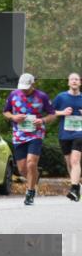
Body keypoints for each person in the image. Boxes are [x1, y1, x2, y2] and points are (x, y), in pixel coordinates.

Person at [2, 73, 56, 206]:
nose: (24, 90)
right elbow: (5, 112)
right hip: (19, 135)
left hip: (36, 134)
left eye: (26, 88)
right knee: (22, 169)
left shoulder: (42, 96)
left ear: (33, 84)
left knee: (31, 163)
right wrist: (13, 117)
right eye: (22, 88)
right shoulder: (14, 95)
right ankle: (34, 177)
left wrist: (42, 120)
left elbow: (52, 114)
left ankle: (30, 192)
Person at [53, 72, 82, 202]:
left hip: (79, 133)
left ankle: (74, 189)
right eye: (72, 79)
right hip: (65, 134)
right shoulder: (61, 97)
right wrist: (62, 112)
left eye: (76, 79)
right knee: (69, 162)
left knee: (75, 160)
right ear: (68, 82)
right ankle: (76, 186)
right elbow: (50, 112)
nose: (74, 81)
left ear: (80, 82)